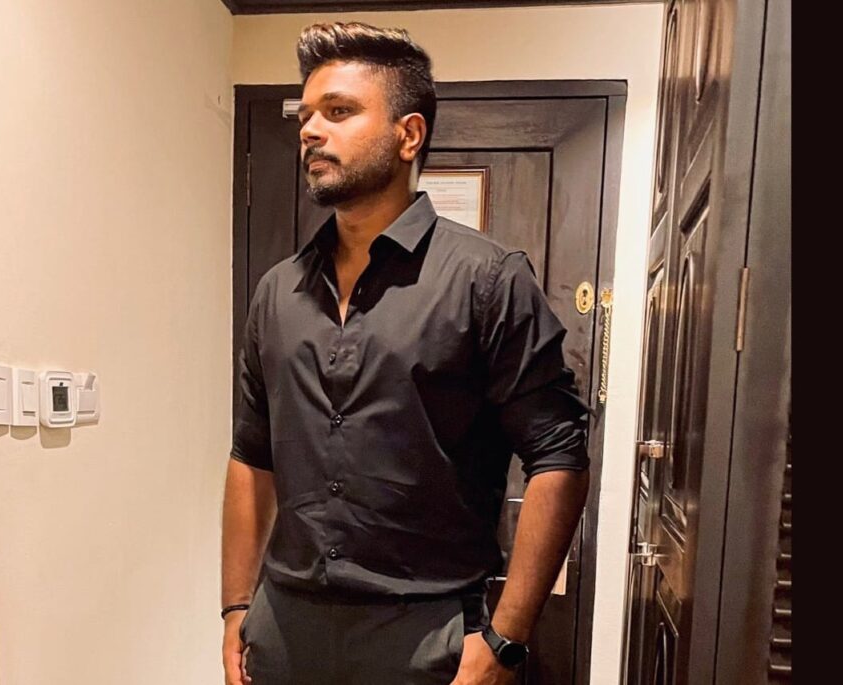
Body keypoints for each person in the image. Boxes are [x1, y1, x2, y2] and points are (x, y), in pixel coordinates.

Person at [221, 21, 591, 685]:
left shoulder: (488, 279)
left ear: (408, 134)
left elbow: (558, 457)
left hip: (428, 636)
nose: (311, 130)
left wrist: (505, 640)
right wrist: (235, 607)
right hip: (284, 630)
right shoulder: (277, 291)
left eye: (339, 111)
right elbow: (251, 456)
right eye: (306, 116)